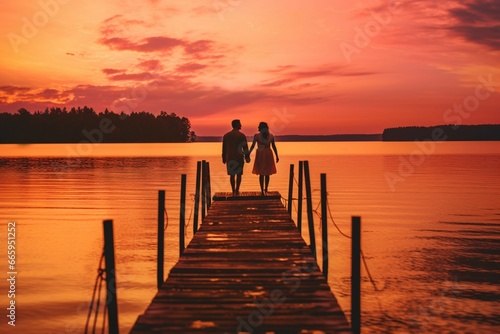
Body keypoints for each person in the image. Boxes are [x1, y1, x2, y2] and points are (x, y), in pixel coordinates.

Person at [248, 122, 279, 195]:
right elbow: (274, 146)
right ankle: (266, 189)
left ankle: (262, 190)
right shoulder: (270, 136)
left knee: (261, 173)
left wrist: (248, 153)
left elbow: (253, 146)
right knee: (267, 173)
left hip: (260, 154)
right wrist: (277, 156)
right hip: (268, 153)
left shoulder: (257, 136)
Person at [222, 119, 250, 195]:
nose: (241, 125)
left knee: (232, 175)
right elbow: (245, 147)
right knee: (239, 174)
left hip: (230, 157)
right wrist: (247, 157)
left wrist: (224, 157)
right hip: (239, 157)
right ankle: (237, 189)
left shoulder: (226, 135)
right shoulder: (241, 135)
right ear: (237, 125)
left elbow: (224, 147)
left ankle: (233, 190)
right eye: (240, 124)